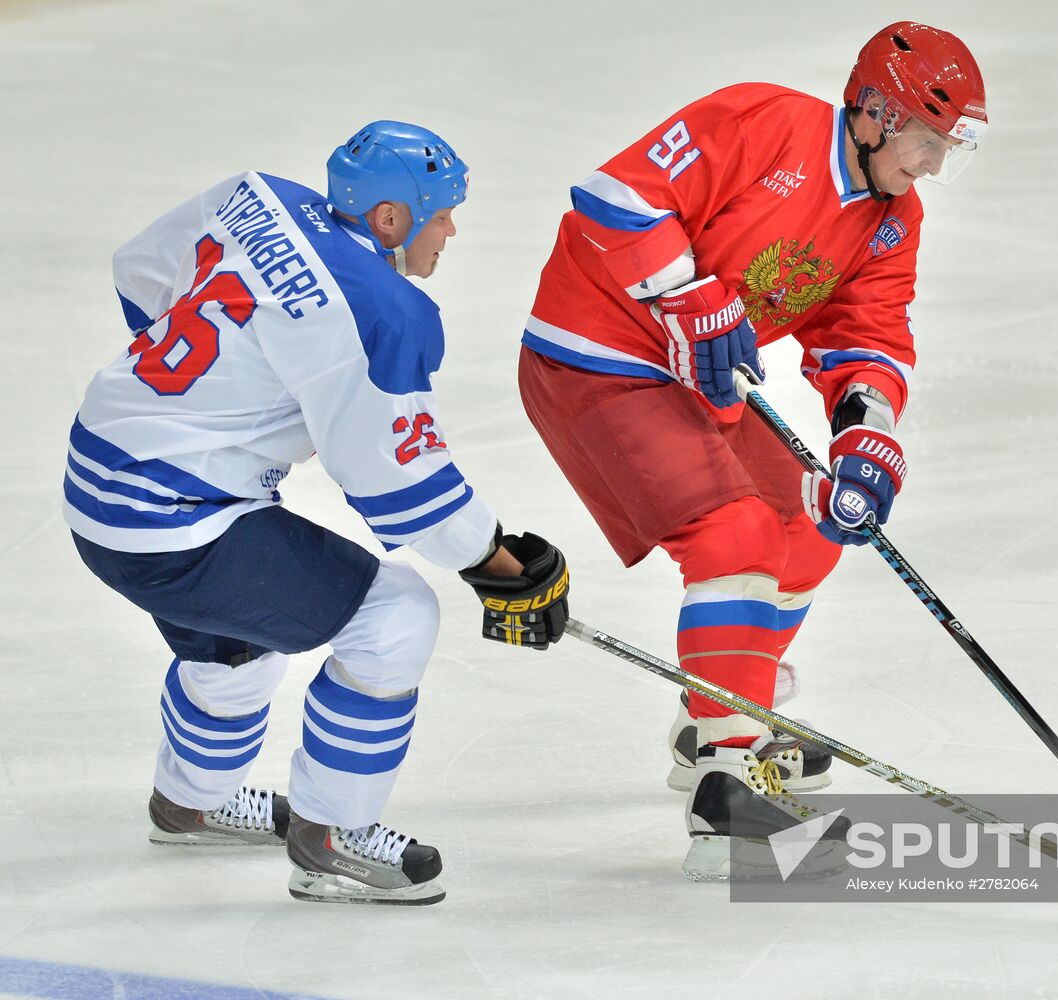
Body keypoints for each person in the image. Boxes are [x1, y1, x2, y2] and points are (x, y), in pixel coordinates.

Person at [518, 23, 987, 878]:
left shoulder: (890, 222)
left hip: (699, 382)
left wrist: (865, 435)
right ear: (876, 114)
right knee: (734, 540)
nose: (932, 166)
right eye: (927, 141)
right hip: (596, 354)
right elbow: (614, 196)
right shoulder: (765, 122)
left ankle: (721, 716)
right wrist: (686, 292)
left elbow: (868, 336)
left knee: (814, 521)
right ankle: (725, 787)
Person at [64, 121, 570, 905]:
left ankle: (188, 802)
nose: (452, 230)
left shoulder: (255, 197)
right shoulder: (381, 307)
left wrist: (211, 412)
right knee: (395, 616)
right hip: (174, 518)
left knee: (237, 646)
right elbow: (400, 481)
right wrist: (494, 560)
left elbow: (141, 273)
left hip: (98, 472)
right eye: (441, 214)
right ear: (391, 219)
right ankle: (334, 837)